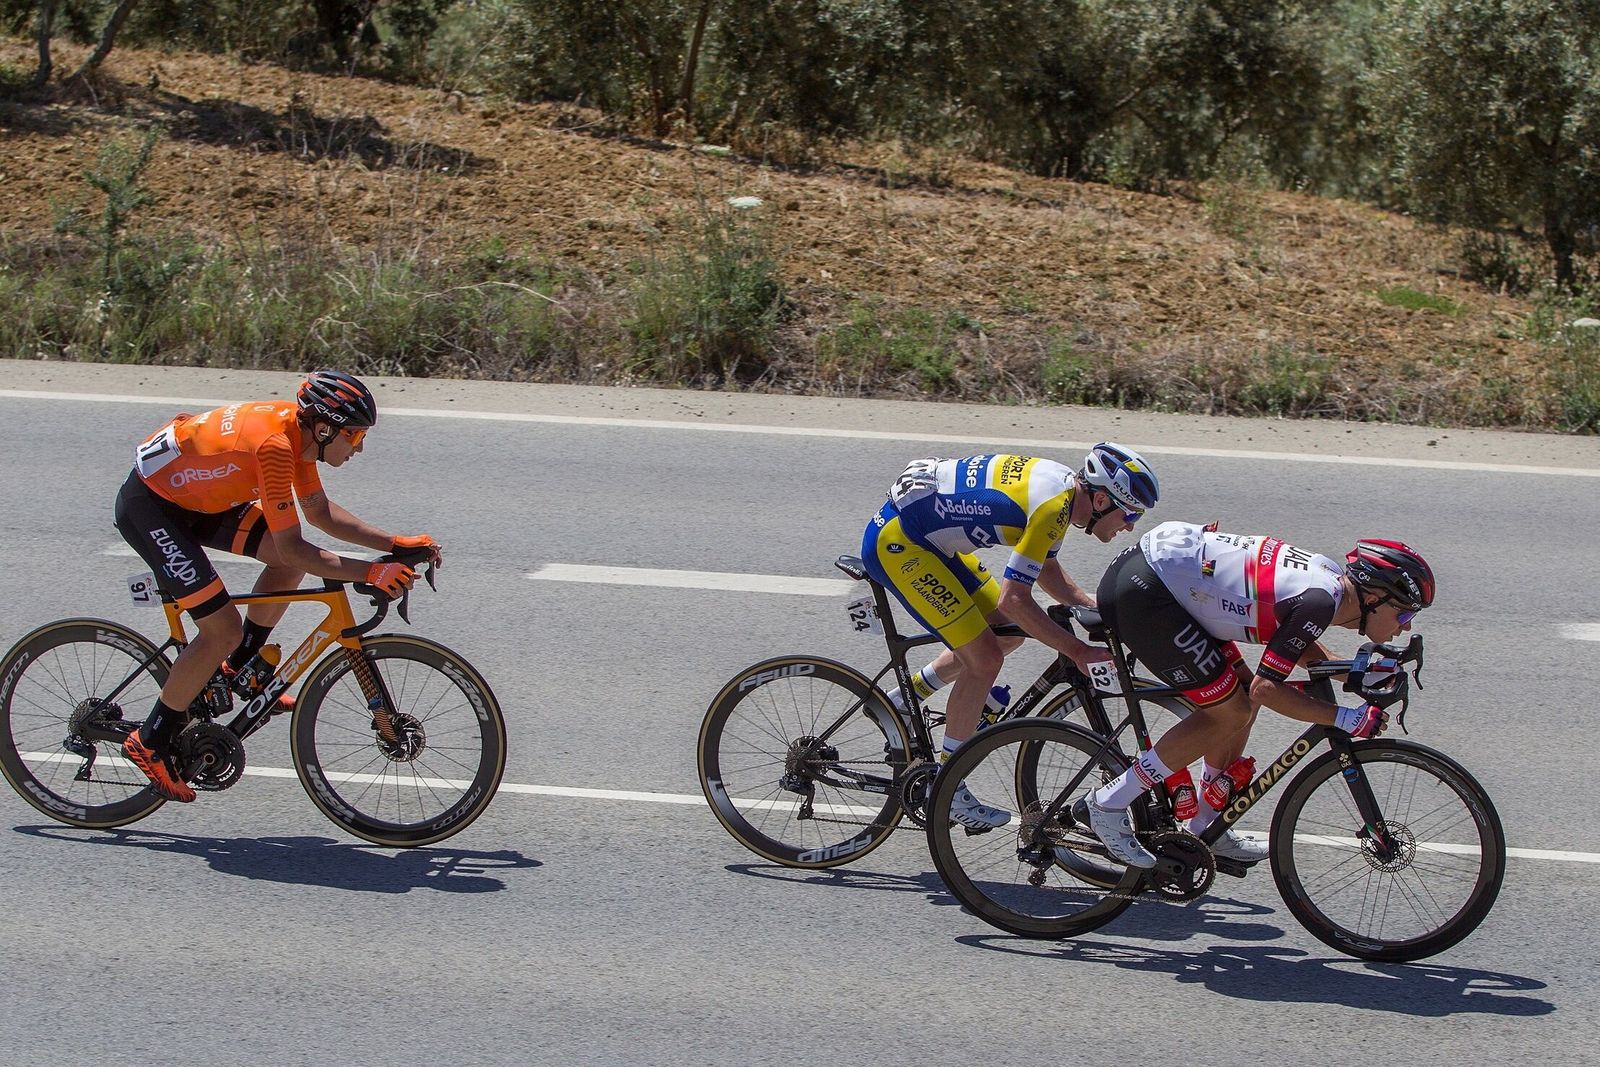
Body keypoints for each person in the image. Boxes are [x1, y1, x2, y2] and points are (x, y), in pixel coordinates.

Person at [113, 370, 442, 803]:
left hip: (198, 498)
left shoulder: (299, 433)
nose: (359, 447)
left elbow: (319, 513)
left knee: (286, 566)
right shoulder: (275, 447)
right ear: (324, 429)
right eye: (355, 435)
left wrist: (394, 543)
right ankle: (150, 739)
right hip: (152, 508)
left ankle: (239, 667)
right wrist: (370, 572)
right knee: (222, 629)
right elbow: (294, 546)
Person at [1083, 523, 1434, 867]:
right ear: (1372, 599)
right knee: (1231, 711)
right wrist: (1345, 718)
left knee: (1242, 704)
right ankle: (1108, 802)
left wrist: (1360, 672)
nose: (1406, 626)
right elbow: (1267, 689)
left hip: (1175, 584)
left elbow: (1296, 640)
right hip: (1147, 593)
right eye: (1404, 613)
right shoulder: (1320, 601)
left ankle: (1206, 823)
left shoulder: (1330, 587)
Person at [862, 445, 1159, 829]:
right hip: (902, 546)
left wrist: (1093, 608)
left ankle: (905, 698)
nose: (1131, 526)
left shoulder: (1063, 494)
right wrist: (1079, 651)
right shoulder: (1053, 508)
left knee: (1007, 632)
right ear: (1101, 500)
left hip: (931, 541)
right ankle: (946, 789)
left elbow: (1045, 567)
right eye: (1131, 514)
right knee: (985, 659)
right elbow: (1015, 599)